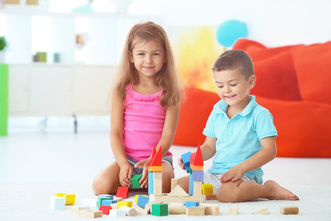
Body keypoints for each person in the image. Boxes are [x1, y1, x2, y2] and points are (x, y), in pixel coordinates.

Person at [178, 49, 299, 202]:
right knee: (178, 186)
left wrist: (241, 168)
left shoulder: (260, 114)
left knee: (227, 194)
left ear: (251, 82)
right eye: (220, 86)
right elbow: (209, 147)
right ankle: (217, 192)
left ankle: (268, 189)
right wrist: (195, 156)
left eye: (233, 84)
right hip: (216, 174)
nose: (226, 90)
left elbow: (270, 151)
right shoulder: (217, 112)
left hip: (245, 175)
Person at [92, 21, 181, 195]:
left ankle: (140, 183)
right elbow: (115, 134)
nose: (148, 60)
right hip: (128, 160)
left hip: (159, 160)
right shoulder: (122, 90)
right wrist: (124, 164)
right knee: (100, 186)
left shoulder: (171, 92)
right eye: (141, 54)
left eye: (155, 54)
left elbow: (168, 136)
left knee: (162, 185)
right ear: (131, 56)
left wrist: (152, 161)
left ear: (165, 57)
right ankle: (134, 181)